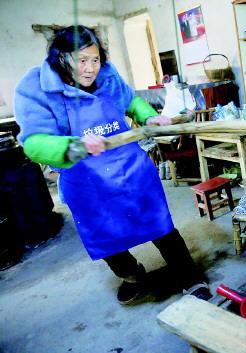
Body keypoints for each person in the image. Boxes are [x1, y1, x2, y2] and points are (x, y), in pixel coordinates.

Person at [14, 25, 212, 304]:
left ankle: (190, 276)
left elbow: (130, 101)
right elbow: (33, 142)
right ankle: (133, 275)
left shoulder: (107, 74)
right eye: (81, 60)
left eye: (95, 59)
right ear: (61, 57)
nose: (90, 68)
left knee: (160, 224)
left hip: (128, 169)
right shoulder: (35, 87)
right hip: (85, 180)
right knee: (106, 237)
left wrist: (147, 116)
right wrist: (73, 145)